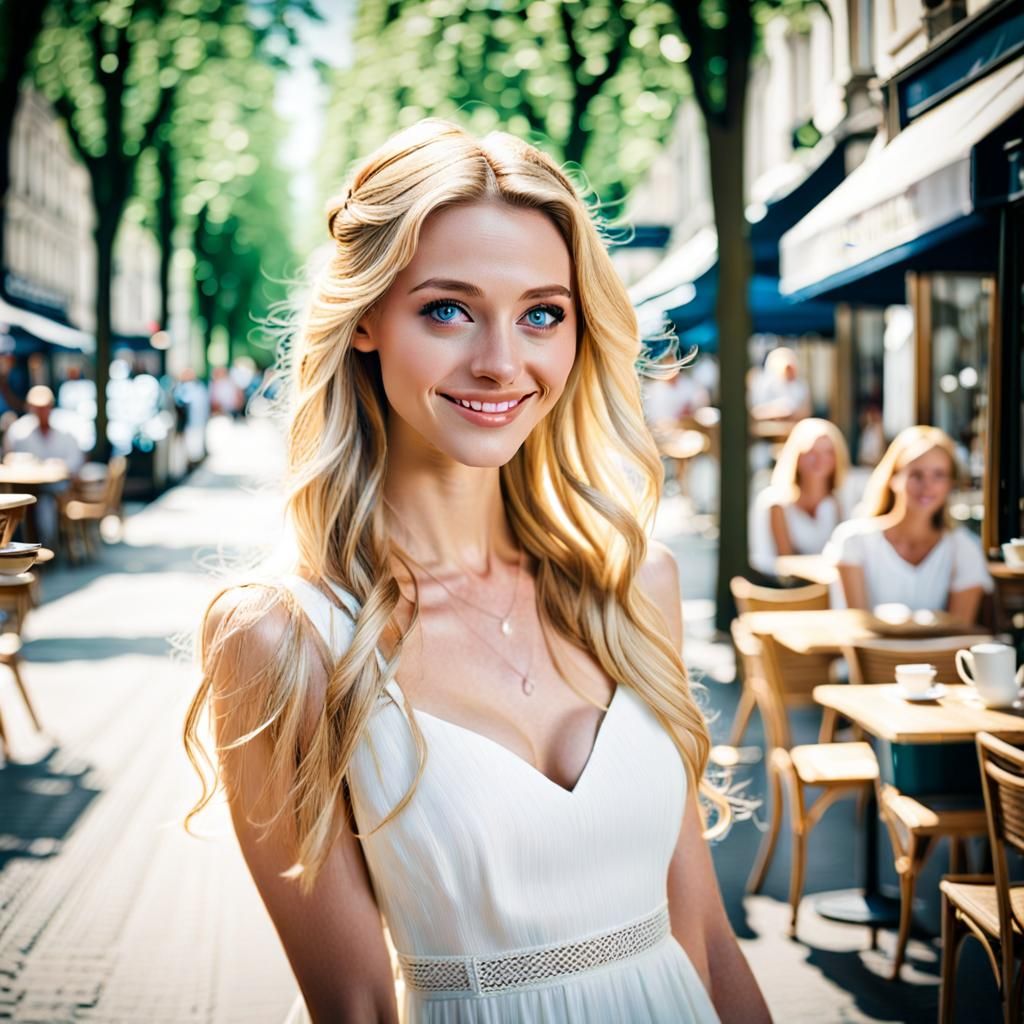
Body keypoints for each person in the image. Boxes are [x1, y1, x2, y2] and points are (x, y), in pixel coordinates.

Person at [182, 119, 770, 1024]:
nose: (502, 362)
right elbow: (355, 1007)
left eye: (543, 313)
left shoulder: (635, 587)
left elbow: (703, 933)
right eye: (448, 309)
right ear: (367, 320)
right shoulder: (283, 640)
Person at [824, 425, 993, 621]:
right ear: (894, 478)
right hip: (871, 652)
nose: (927, 486)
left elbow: (959, 628)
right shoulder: (854, 540)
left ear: (950, 484)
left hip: (938, 653)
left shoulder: (964, 548)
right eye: (916, 475)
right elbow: (859, 626)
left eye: (939, 475)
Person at [748, 418, 849, 578]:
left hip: (824, 589)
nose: (820, 460)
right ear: (797, 457)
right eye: (811, 452)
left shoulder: (837, 503)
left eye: (828, 453)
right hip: (784, 593)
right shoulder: (776, 503)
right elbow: (786, 561)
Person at [2, 385, 86, 547]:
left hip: (55, 489)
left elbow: (76, 460)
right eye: (37, 408)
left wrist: (60, 466)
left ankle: (47, 545)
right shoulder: (19, 431)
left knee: (45, 505)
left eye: (44, 407)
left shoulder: (65, 431)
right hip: (23, 488)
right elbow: (9, 457)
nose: (41, 412)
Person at [749, 347, 811, 423]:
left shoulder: (800, 385)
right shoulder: (763, 385)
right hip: (768, 429)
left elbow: (807, 411)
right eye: (787, 368)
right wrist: (777, 412)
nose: (790, 371)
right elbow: (755, 412)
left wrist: (791, 413)